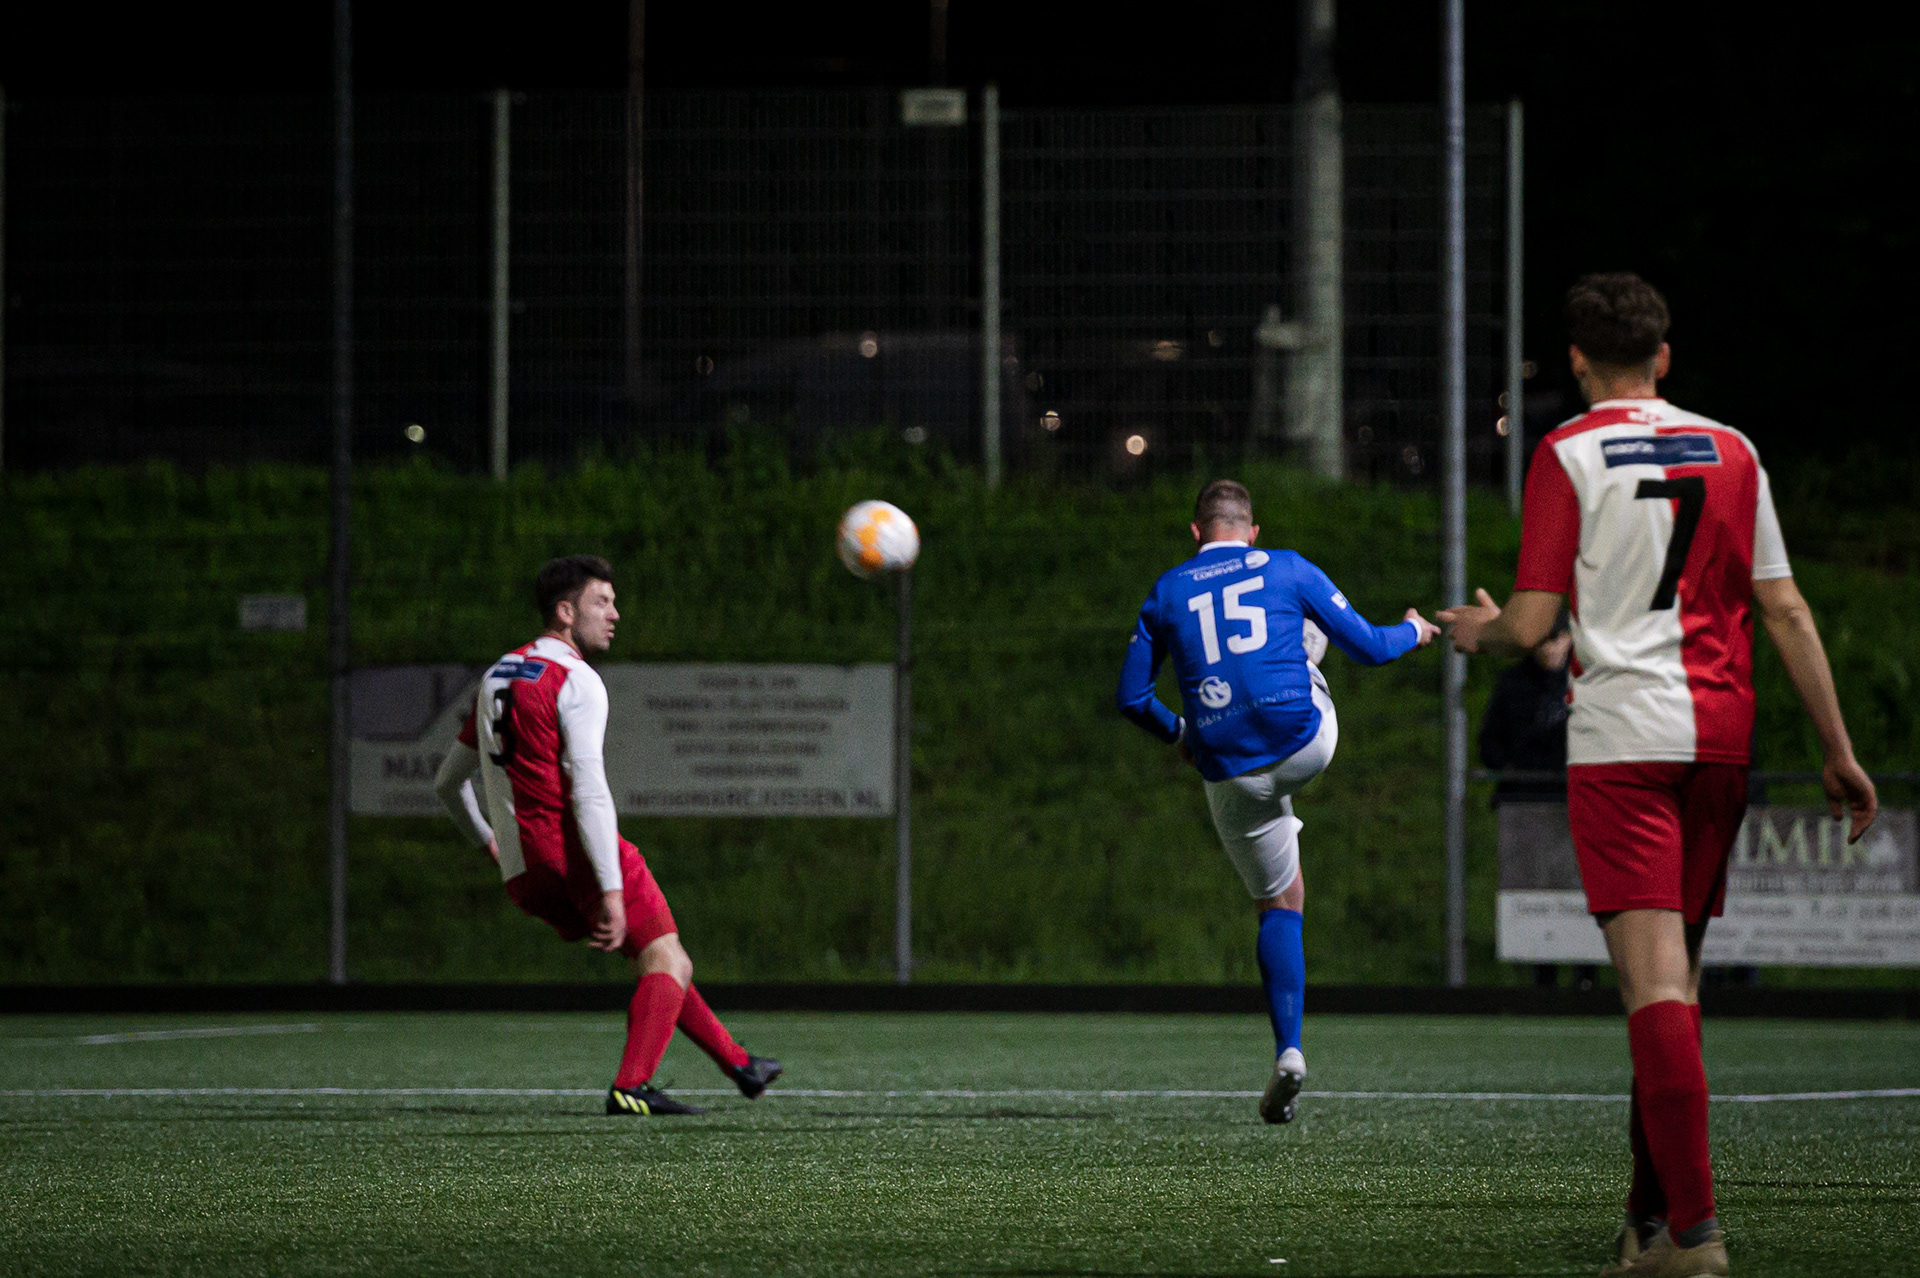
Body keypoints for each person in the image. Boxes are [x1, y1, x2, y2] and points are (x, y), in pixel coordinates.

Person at [1440, 274, 1876, 1277]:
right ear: (1663, 357)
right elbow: (1787, 610)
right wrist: (1839, 749)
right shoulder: (1734, 448)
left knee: (1653, 990)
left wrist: (1479, 630)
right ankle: (1648, 1222)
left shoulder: (1567, 451)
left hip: (1624, 746)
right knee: (1673, 988)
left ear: (1578, 362)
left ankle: (1697, 1235)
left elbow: (1532, 623)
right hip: (1718, 743)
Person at [1117, 480, 1439, 1124]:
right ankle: (1302, 659)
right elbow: (1372, 648)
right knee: (1306, 642)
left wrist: (1181, 735)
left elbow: (1131, 699)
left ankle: (1289, 1048)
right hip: (1307, 744)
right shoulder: (1287, 566)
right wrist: (1414, 630)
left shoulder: (1167, 589)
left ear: (1196, 532)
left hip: (1229, 769)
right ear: (1253, 531)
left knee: (1275, 904)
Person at [432, 554, 782, 1117]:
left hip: (524, 874)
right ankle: (630, 1087)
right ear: (566, 612)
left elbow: (447, 784)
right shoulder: (576, 680)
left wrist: (488, 842)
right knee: (668, 962)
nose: (615, 614)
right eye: (602, 601)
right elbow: (589, 790)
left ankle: (741, 1065)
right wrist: (612, 888)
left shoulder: (498, 676)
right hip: (575, 854)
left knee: (661, 958)